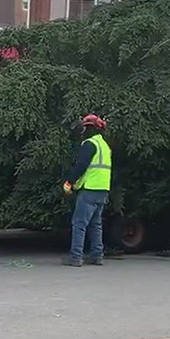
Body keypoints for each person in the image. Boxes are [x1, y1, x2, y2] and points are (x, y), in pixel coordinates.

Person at [61, 114, 112, 267]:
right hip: (103, 189)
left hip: (89, 188)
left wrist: (70, 182)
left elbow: (81, 165)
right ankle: (97, 255)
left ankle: (76, 257)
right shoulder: (105, 146)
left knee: (79, 223)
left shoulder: (89, 144)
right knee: (96, 224)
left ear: (88, 128)